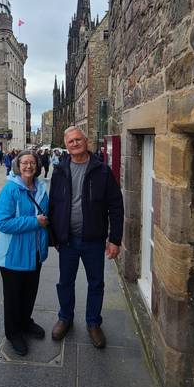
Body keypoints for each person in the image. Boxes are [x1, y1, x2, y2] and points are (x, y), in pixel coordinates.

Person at [49, 126, 124, 349]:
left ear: (86, 140)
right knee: (65, 282)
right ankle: (65, 318)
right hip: (68, 240)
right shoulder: (60, 170)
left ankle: (93, 323)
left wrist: (115, 239)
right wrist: (54, 236)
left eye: (78, 139)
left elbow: (116, 206)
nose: (75, 144)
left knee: (96, 283)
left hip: (94, 240)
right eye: (70, 141)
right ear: (66, 145)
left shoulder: (101, 170)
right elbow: (54, 205)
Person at [0, 150, 49, 356]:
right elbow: (2, 222)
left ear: (37, 166)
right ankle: (13, 332)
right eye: (24, 163)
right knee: (13, 296)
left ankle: (25, 322)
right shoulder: (10, 190)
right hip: (13, 254)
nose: (28, 166)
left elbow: (47, 216)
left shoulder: (41, 189)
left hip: (34, 251)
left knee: (29, 293)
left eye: (32, 163)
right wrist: (34, 222)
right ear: (18, 166)